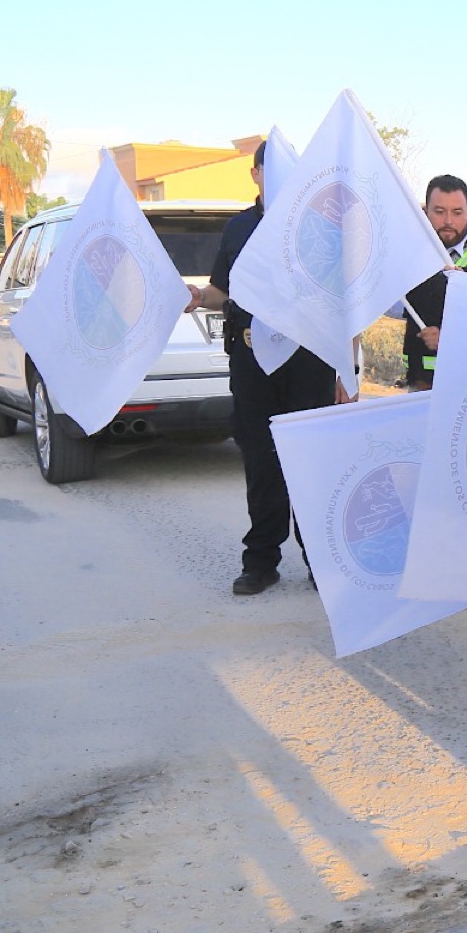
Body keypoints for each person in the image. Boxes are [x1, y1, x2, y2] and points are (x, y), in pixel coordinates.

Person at [186, 140, 348, 595]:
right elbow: (222, 290)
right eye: (268, 170)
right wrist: (199, 298)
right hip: (252, 358)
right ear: (254, 174)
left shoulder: (314, 225)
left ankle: (320, 559)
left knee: (309, 458)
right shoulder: (237, 229)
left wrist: (344, 368)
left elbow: (337, 300)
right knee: (260, 458)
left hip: (307, 359)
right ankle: (261, 561)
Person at [393, 174, 467, 391]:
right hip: (417, 387)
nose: (448, 221)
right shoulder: (415, 259)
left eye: (457, 213)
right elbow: (395, 307)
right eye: (439, 212)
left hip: (466, 390)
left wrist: (450, 339)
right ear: (425, 213)